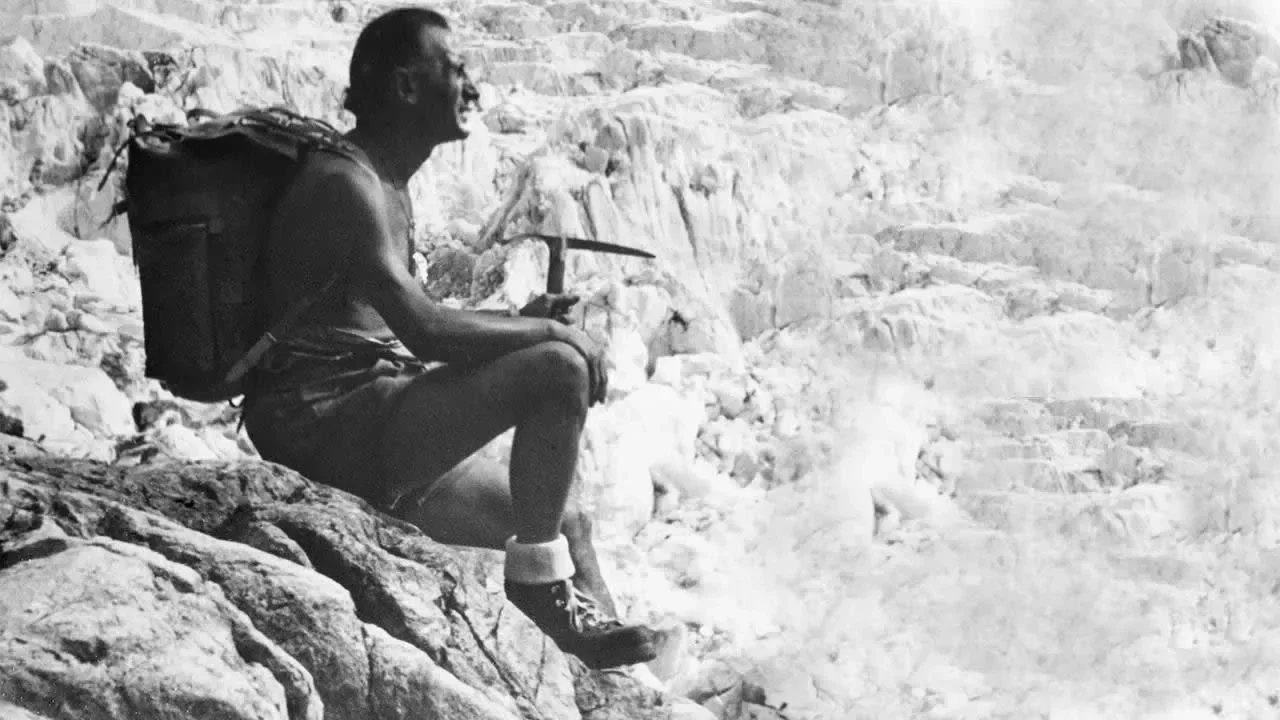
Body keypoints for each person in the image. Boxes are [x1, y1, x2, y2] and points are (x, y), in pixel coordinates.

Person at [241, 6, 659, 670]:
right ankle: (540, 590)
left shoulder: (384, 183)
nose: (472, 86)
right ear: (408, 85)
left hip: (368, 417)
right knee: (558, 371)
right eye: (456, 67)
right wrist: (550, 331)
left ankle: (606, 669)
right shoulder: (347, 184)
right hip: (327, 430)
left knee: (563, 518)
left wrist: (520, 315)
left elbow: (387, 325)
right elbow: (425, 329)